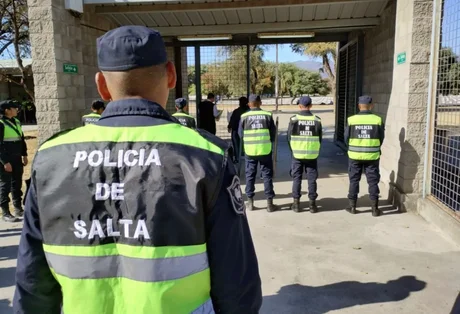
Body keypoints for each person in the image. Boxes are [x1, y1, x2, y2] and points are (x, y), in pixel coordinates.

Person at [14, 26, 262, 314]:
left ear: (101, 85)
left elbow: (32, 281)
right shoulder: (205, 157)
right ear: (171, 75)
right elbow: (236, 279)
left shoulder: (50, 158)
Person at [344, 95, 385, 217]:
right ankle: (374, 209)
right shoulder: (377, 120)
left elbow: (346, 138)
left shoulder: (351, 120)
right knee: (373, 182)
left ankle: (352, 207)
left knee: (354, 180)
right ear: (371, 105)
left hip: (354, 156)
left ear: (359, 106)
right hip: (372, 156)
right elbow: (381, 138)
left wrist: (351, 147)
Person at [239, 95, 278, 212]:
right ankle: (270, 204)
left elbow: (240, 134)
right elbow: (273, 133)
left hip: (250, 150)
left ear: (249, 104)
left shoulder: (244, 116)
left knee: (250, 175)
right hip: (264, 149)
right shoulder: (267, 115)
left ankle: (250, 202)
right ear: (260, 103)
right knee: (267, 175)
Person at [287, 96, 322, 213]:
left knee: (296, 178)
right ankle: (312, 205)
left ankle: (296, 204)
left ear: (299, 106)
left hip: (297, 154)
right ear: (311, 106)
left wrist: (293, 150)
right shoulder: (317, 120)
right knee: (312, 179)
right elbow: (320, 138)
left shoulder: (293, 119)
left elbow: (288, 138)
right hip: (312, 155)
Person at [0, 100, 27, 222]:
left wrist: (24, 154)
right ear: (7, 110)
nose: (16, 110)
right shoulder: (1, 123)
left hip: (16, 157)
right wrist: (5, 162)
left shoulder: (16, 121)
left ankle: (18, 208)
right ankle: (6, 213)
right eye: (14, 108)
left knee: (17, 184)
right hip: (5, 159)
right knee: (5, 185)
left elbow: (21, 139)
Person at [228, 96, 249, 163]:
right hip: (247, 130)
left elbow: (232, 120)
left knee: (236, 144)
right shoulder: (249, 111)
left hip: (236, 130)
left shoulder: (236, 111)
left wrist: (229, 127)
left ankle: (237, 158)